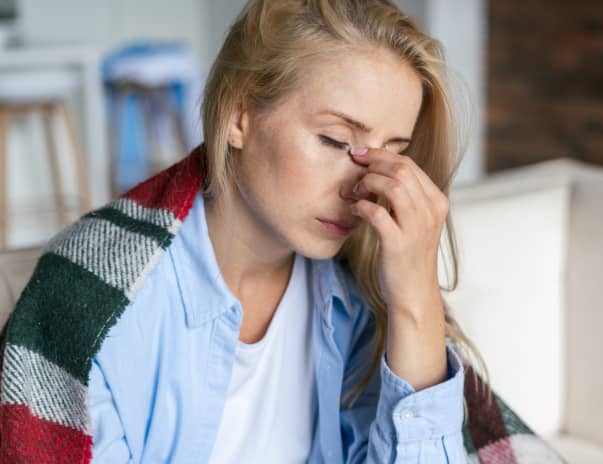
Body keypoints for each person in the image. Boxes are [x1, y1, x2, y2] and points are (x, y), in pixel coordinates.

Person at [0, 0, 498, 462]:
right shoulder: (94, 305)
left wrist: (415, 302)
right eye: (335, 140)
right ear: (239, 114)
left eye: (392, 155)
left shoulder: (359, 301)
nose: (362, 186)